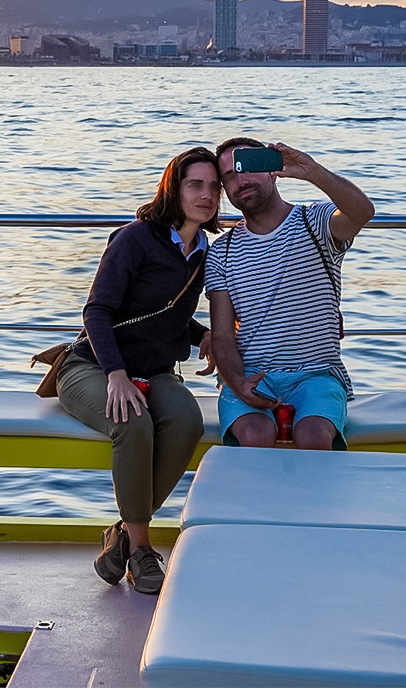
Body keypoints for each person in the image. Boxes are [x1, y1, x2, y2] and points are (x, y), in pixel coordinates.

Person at [55, 147, 217, 594]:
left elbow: (167, 316)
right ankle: (142, 550)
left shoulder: (204, 250)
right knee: (133, 421)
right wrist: (117, 374)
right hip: (93, 366)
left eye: (214, 186)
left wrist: (202, 335)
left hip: (156, 369)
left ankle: (121, 535)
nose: (207, 195)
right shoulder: (135, 238)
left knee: (187, 422)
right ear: (174, 189)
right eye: (195, 185)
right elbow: (98, 312)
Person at [200, 138, 374, 450]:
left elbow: (362, 212)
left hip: (316, 375)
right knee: (255, 435)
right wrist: (238, 383)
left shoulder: (315, 223)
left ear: (271, 170)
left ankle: (315, 501)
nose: (240, 180)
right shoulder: (221, 253)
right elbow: (223, 336)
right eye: (228, 176)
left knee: (314, 436)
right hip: (252, 374)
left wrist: (311, 170)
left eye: (247, 167)